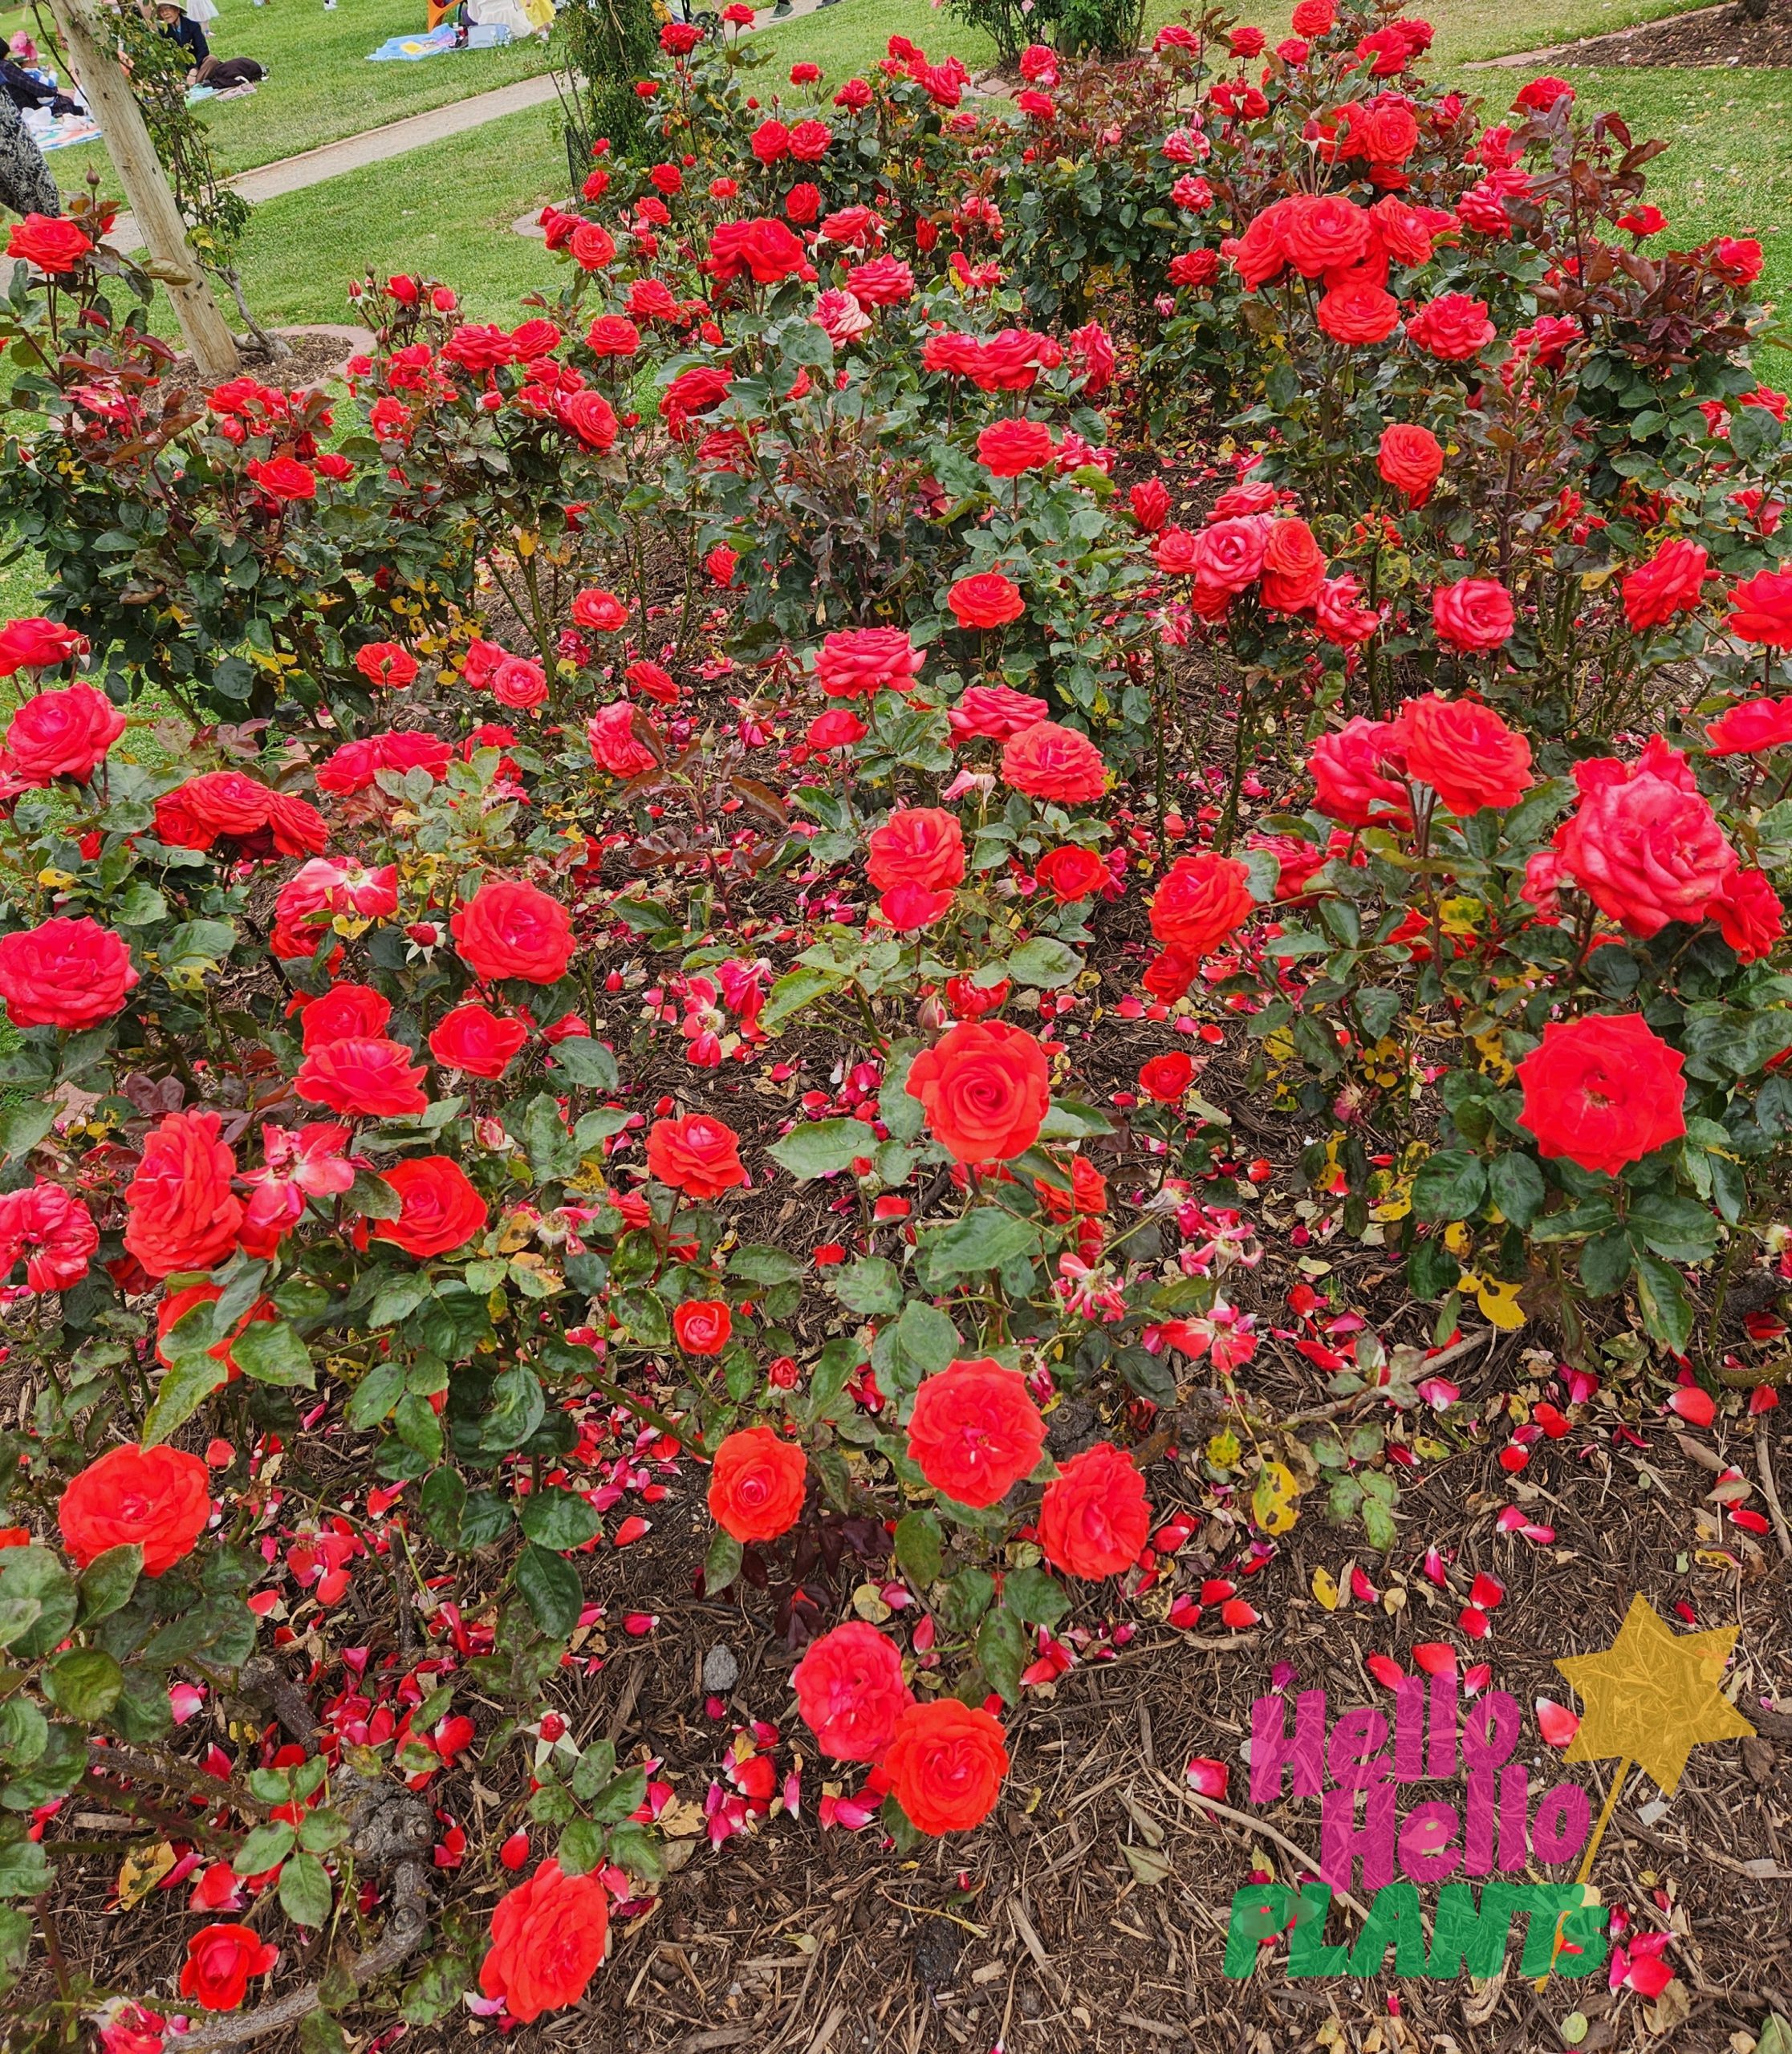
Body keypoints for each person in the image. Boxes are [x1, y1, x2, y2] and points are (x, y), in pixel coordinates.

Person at [153, 3, 266, 87]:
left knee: (212, 60)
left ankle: (190, 85)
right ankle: (193, 83)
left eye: (167, 9)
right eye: (161, 11)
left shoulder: (192, 25)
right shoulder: (164, 31)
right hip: (182, 69)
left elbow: (203, 50)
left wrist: (194, 70)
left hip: (199, 66)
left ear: (177, 10)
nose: (165, 14)